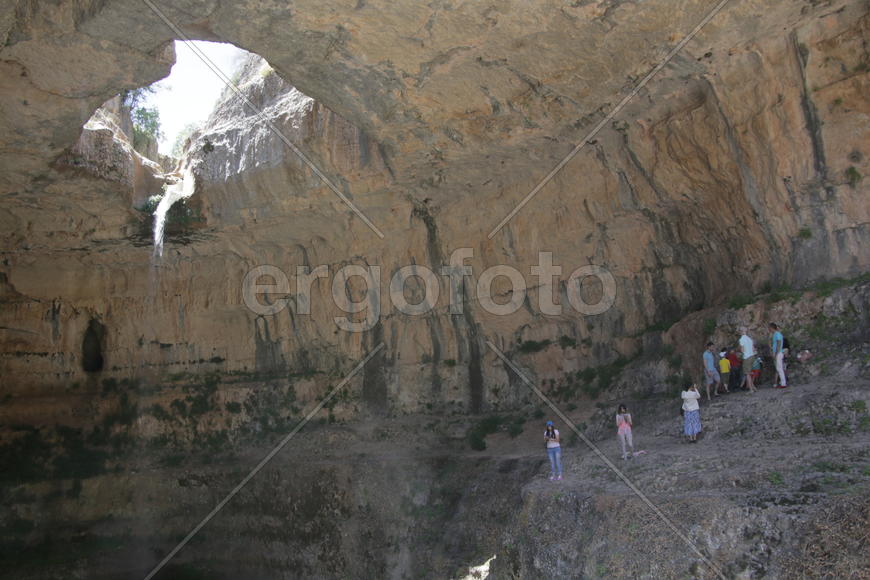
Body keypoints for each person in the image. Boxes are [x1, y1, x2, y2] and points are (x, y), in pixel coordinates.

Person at [738, 326, 757, 393]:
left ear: (741, 331)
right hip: (752, 357)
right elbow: (753, 349)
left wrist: (740, 351)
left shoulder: (741, 339)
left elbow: (742, 350)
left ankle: (751, 389)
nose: (739, 332)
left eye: (740, 331)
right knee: (749, 372)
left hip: (747, 357)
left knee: (747, 374)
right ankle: (753, 387)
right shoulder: (750, 339)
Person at [770, 322, 787, 388]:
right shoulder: (775, 334)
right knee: (779, 368)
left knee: (779, 368)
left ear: (772, 328)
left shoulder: (777, 334)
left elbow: (779, 344)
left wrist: (776, 353)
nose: (769, 330)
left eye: (769, 328)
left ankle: (783, 383)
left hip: (779, 353)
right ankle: (782, 382)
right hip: (778, 352)